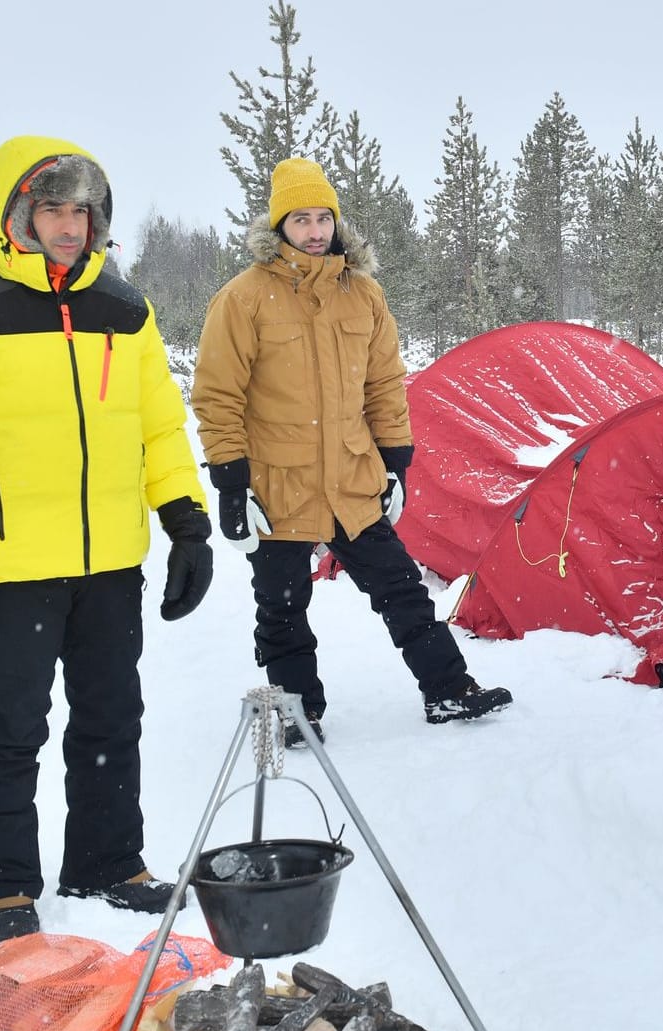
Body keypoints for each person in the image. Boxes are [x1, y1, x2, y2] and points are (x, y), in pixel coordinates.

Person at [0, 135, 214, 945]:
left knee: (111, 718)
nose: (70, 226)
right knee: (10, 729)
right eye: (52, 210)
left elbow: (158, 427)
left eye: (82, 210)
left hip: (109, 564)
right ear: (13, 217)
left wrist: (186, 523)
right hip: (10, 567)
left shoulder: (125, 310)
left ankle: (108, 864)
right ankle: (4, 891)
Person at [190, 158, 511, 742]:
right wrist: (231, 484)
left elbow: (385, 385)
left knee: (403, 591)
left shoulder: (363, 295)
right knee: (282, 610)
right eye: (300, 219)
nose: (314, 230)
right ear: (279, 225)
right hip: (279, 485)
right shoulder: (243, 299)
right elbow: (216, 397)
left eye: (323, 218)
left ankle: (447, 689)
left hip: (353, 481)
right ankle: (296, 714)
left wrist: (395, 464)